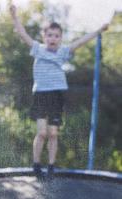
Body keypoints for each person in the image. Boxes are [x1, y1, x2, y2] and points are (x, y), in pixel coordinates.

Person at [10, 4, 108, 179]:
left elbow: (82, 40)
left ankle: (51, 166)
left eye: (56, 36)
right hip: (41, 94)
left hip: (56, 95)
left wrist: (98, 30)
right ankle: (36, 164)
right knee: (42, 132)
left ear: (61, 38)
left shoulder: (63, 52)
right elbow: (22, 33)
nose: (52, 38)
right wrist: (14, 16)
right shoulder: (38, 49)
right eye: (49, 35)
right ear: (44, 36)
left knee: (53, 133)